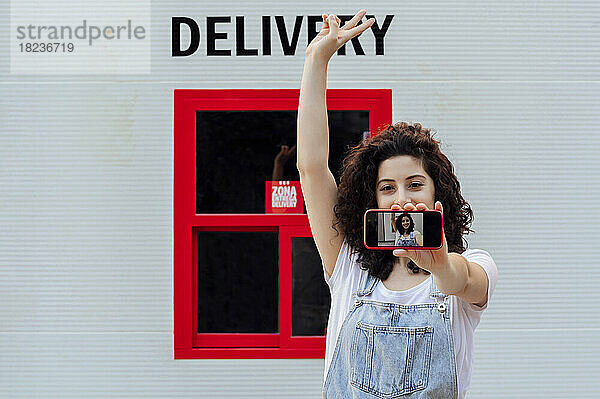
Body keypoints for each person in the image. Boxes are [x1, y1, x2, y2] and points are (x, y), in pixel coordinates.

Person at [296, 10, 498, 399]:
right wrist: (316, 60)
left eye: (415, 184)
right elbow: (311, 169)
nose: (402, 199)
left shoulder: (474, 267)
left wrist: (439, 263)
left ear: (438, 194)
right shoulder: (347, 267)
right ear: (371, 199)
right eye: (387, 187)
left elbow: (466, 282)